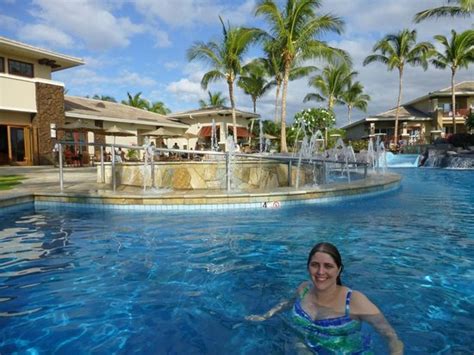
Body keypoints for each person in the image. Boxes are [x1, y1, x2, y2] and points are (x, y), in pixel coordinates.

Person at [246, 242, 404, 354]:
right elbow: (288, 303)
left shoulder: (355, 301)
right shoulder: (304, 288)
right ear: (308, 267)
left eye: (328, 266)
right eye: (315, 265)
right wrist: (265, 316)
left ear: (339, 270)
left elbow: (392, 338)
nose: (320, 272)